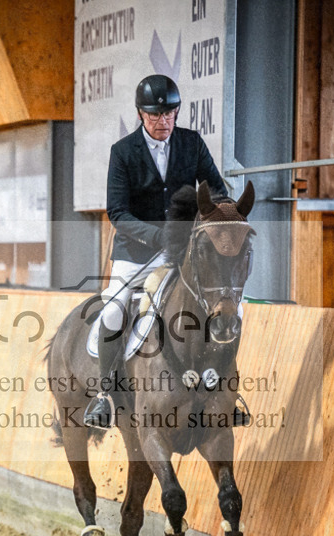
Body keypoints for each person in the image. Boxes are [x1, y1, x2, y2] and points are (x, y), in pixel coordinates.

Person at [83, 74, 228, 429]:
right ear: (140, 115)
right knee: (115, 307)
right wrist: (157, 236)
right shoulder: (123, 152)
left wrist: (216, 221)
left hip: (183, 251)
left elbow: (218, 190)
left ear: (176, 113)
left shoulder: (192, 144)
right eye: (154, 116)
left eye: (169, 115)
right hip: (135, 251)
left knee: (222, 301)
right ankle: (104, 394)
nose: (162, 122)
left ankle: (226, 389)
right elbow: (117, 212)